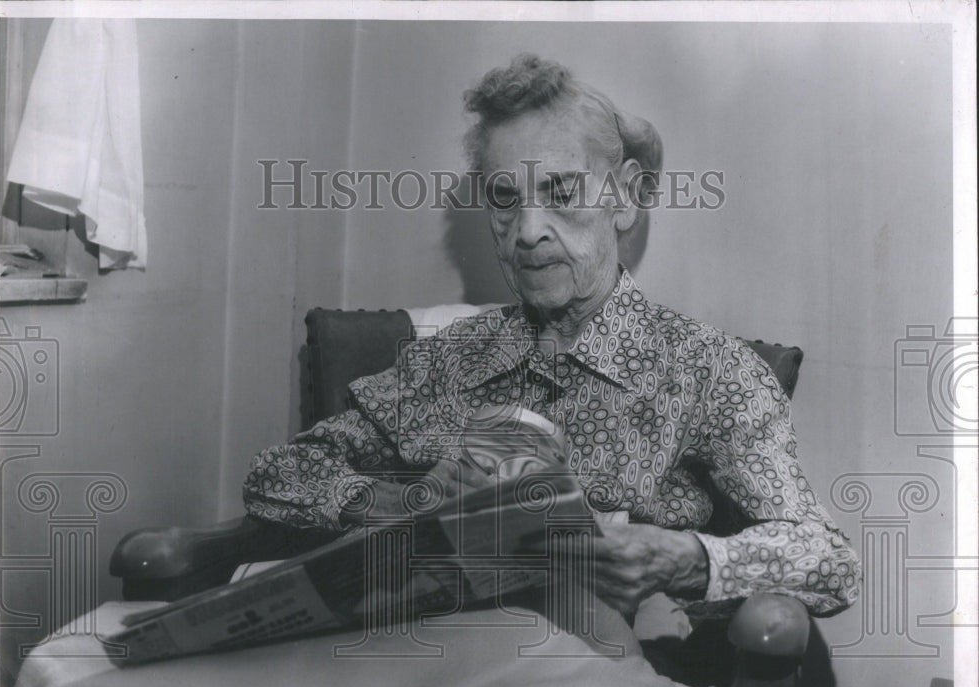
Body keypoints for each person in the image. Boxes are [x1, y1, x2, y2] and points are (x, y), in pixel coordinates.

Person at [243, 54, 860, 619]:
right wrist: (402, 504)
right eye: (505, 199)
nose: (528, 231)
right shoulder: (450, 360)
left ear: (623, 199)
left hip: (600, 672)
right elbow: (279, 474)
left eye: (560, 192)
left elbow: (829, 559)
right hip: (430, 655)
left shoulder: (707, 370)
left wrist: (683, 558)